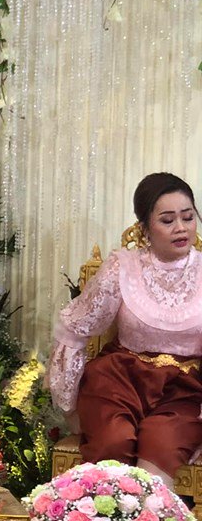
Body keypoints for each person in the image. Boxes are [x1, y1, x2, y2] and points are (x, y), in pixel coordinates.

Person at [47, 172, 202, 488]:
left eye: (188, 217)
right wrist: (69, 405)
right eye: (167, 220)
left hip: (183, 390)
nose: (181, 228)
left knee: (161, 446)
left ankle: (149, 508)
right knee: (113, 443)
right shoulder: (123, 267)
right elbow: (76, 327)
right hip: (119, 380)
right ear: (145, 228)